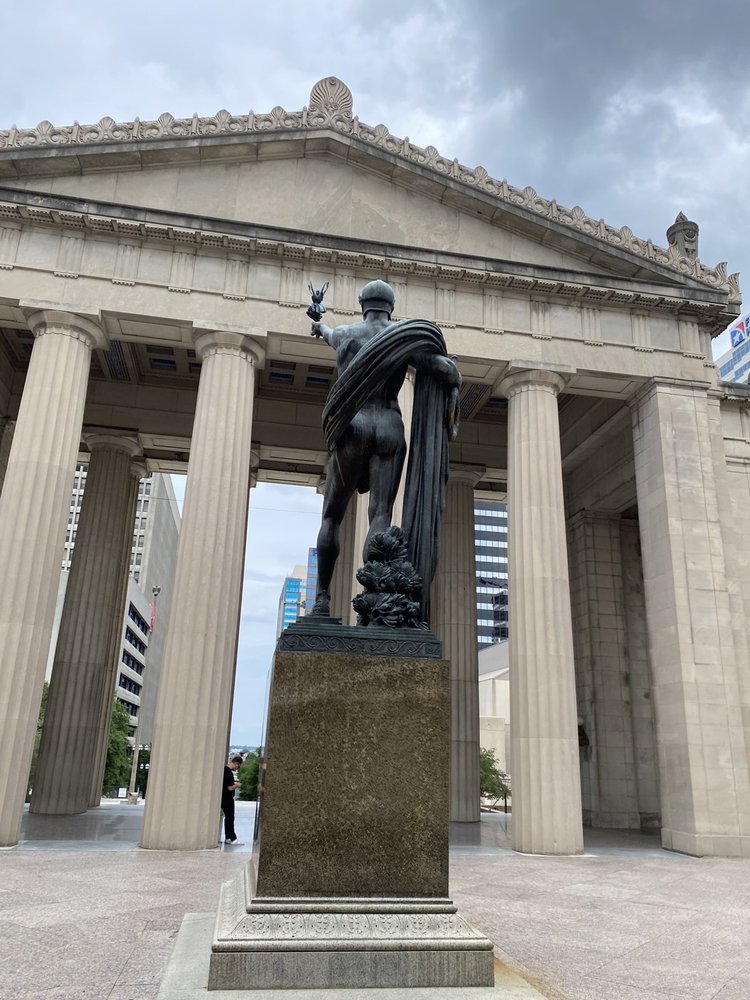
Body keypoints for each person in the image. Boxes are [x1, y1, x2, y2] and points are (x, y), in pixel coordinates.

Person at [310, 279, 460, 622]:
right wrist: (454, 379)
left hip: (353, 424)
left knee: (332, 515)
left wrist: (319, 324)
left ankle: (322, 597)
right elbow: (442, 368)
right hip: (390, 426)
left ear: (363, 304)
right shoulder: (403, 339)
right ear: (390, 307)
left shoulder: (347, 334)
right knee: (379, 515)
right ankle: (372, 597)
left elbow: (327, 332)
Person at [221, 754, 243, 845]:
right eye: (238, 765)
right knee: (230, 818)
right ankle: (233, 838)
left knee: (228, 818)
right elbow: (229, 788)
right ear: (236, 763)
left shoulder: (225, 770)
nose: (237, 768)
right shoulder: (228, 772)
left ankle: (228, 837)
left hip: (224, 798)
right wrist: (236, 785)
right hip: (228, 799)